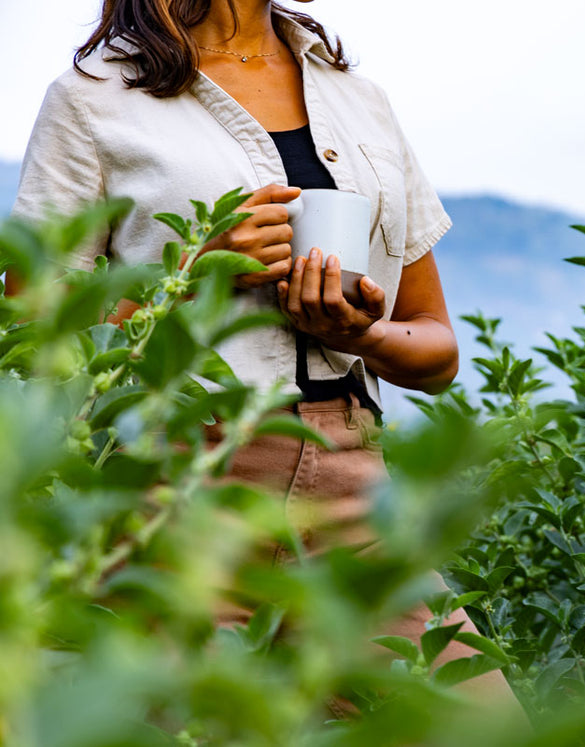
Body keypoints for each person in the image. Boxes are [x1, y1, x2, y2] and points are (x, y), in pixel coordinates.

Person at [13, 0, 513, 708]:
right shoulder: (93, 100)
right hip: (174, 491)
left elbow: (436, 348)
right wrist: (196, 272)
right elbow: (35, 335)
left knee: (480, 718)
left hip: (352, 482)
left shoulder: (356, 97)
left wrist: (360, 335)